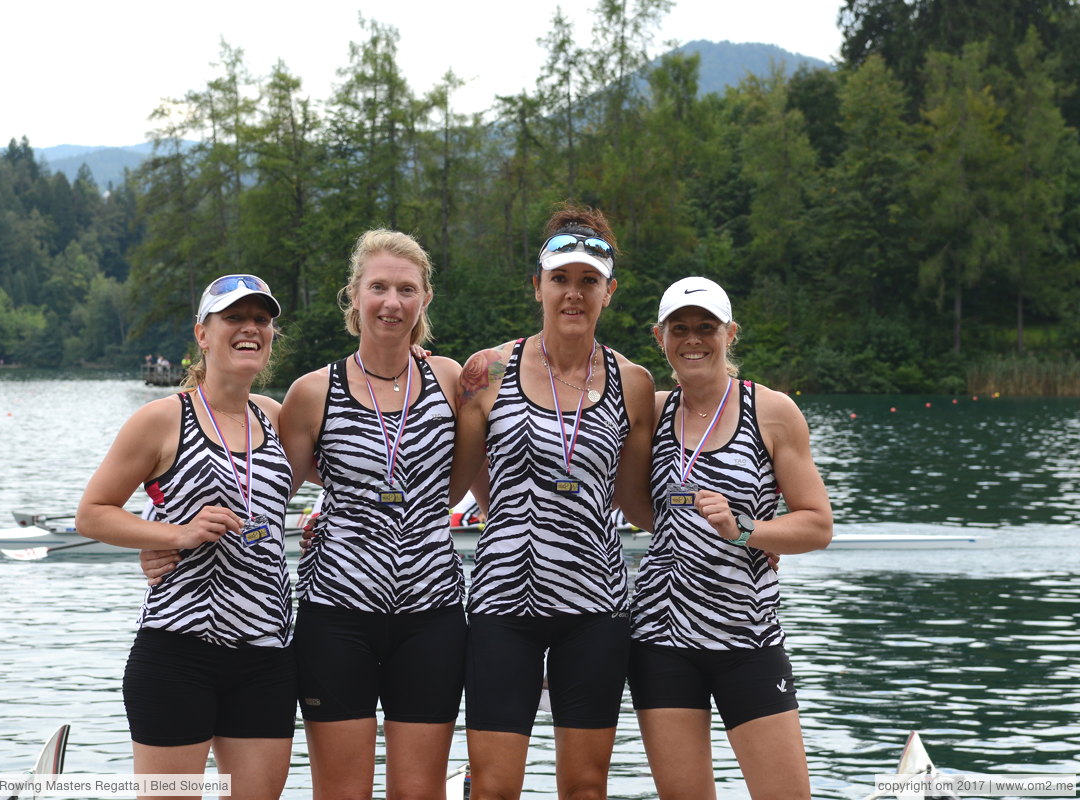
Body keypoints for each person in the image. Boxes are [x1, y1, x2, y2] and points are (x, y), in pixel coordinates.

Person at [452, 205, 656, 799]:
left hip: (595, 608)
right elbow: (458, 483)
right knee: (492, 786)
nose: (574, 294)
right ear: (537, 285)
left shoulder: (633, 382)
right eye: (561, 279)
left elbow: (640, 502)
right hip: (503, 601)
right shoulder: (487, 372)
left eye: (588, 281)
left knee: (587, 786)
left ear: (609, 292)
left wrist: (745, 537)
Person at [76, 275, 296, 800]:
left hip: (267, 654)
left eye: (261, 320)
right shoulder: (161, 419)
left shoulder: (275, 416)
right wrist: (172, 534)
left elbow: (355, 472)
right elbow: (92, 513)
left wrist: (404, 355)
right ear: (202, 333)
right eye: (233, 319)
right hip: (179, 651)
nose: (250, 329)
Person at [621, 276, 834, 800]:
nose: (693, 338)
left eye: (706, 327)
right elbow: (634, 503)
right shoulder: (653, 410)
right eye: (680, 328)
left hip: (748, 638)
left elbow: (817, 523)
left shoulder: (773, 411)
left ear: (729, 333)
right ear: (660, 337)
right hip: (661, 639)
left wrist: (749, 533)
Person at [278, 229, 468, 800]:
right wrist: (167, 541)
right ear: (354, 295)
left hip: (431, 613)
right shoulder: (313, 393)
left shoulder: (453, 379)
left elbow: (469, 480)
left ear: (425, 299)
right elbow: (263, 494)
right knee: (341, 792)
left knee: (417, 792)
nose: (392, 302)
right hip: (336, 615)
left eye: (406, 289)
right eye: (378, 287)